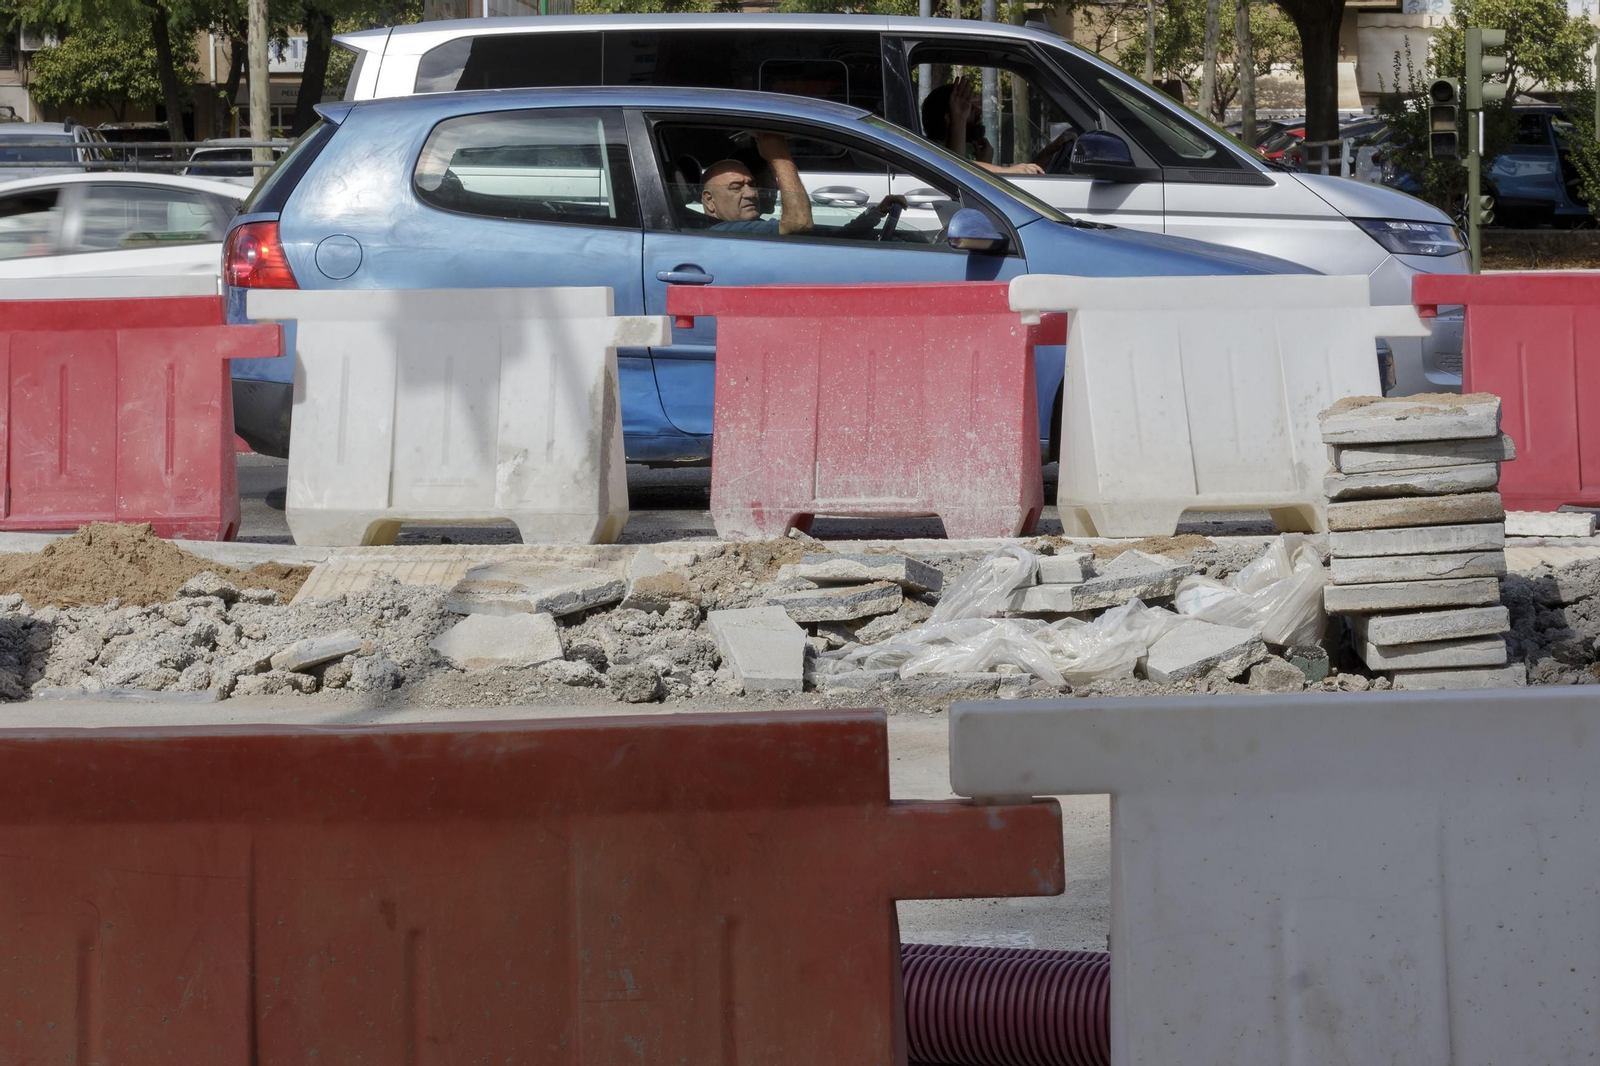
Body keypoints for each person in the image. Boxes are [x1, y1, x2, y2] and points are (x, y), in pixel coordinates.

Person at [920, 81, 1072, 176]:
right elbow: (954, 166)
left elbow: (1024, 174)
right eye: (969, 108)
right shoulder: (933, 151)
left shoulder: (967, 150)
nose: (979, 111)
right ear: (949, 119)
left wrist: (1051, 149)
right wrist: (1005, 170)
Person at [700, 132, 813, 235]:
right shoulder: (725, 231)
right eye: (736, 187)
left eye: (752, 185)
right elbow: (799, 222)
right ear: (709, 200)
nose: (751, 194)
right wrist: (780, 157)